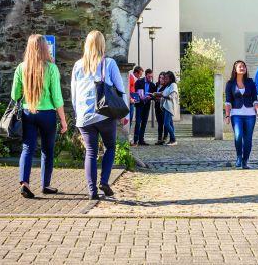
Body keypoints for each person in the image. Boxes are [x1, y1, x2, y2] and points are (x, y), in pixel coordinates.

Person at [71, 30, 126, 200]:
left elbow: (73, 94)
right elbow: (120, 90)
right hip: (104, 115)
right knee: (110, 147)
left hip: (84, 117)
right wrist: (123, 114)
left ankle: (92, 191)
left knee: (90, 152)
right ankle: (104, 181)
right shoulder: (109, 64)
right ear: (103, 44)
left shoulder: (78, 65)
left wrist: (77, 114)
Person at [11, 34, 67, 199]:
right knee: (47, 150)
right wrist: (63, 120)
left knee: (27, 148)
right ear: (44, 48)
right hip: (48, 114)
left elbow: (15, 95)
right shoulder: (51, 68)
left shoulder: (21, 68)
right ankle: (45, 185)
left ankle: (24, 183)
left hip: (28, 112)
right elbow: (57, 98)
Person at [225, 60, 258, 169]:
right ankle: (239, 157)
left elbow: (255, 99)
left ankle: (245, 161)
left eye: (244, 66)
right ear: (235, 69)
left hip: (250, 114)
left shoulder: (250, 82)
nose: (243, 68)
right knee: (238, 135)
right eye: (240, 66)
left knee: (248, 139)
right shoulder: (230, 83)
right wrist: (227, 115)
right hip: (236, 114)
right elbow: (228, 101)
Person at [133, 68, 156, 146]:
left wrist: (151, 97)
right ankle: (135, 140)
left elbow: (154, 95)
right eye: (149, 76)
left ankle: (141, 140)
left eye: (151, 77)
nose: (150, 78)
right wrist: (140, 97)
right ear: (146, 75)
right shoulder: (139, 82)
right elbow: (135, 92)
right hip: (139, 105)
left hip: (147, 105)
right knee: (138, 122)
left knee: (144, 123)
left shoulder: (152, 85)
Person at [155, 71, 178, 146]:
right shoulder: (168, 86)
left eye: (166, 78)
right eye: (165, 78)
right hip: (165, 106)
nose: (165, 80)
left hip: (169, 107)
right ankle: (171, 140)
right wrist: (156, 94)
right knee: (170, 124)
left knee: (166, 123)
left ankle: (174, 139)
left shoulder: (173, 85)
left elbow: (172, 96)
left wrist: (162, 96)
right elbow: (163, 93)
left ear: (171, 78)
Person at [154, 72, 168, 145]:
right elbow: (154, 94)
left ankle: (165, 138)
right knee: (159, 123)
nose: (161, 79)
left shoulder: (166, 86)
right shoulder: (156, 85)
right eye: (160, 77)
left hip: (163, 107)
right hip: (157, 107)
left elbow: (164, 96)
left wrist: (157, 96)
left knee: (165, 123)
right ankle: (159, 139)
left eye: (163, 78)